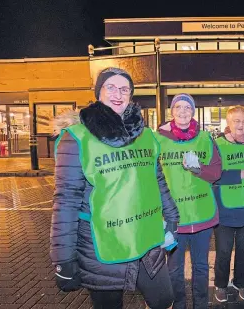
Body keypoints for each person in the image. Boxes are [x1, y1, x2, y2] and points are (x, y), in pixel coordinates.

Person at [50, 67, 178, 309]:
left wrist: (172, 218)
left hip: (147, 239)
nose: (117, 94)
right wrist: (63, 258)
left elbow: (158, 180)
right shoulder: (76, 138)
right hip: (102, 244)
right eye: (111, 87)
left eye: (124, 89)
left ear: (131, 95)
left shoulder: (146, 136)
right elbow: (65, 202)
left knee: (164, 300)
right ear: (98, 92)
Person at [155, 93, 222, 309]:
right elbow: (150, 176)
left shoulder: (205, 138)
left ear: (193, 112)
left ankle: (201, 305)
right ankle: (179, 305)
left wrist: (198, 170)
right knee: (174, 269)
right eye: (179, 107)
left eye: (188, 108)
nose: (183, 112)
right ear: (171, 111)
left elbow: (216, 172)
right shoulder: (159, 139)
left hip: (202, 215)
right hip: (173, 218)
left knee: (201, 267)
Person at [212, 105, 244, 303]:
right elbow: (213, 176)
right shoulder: (217, 145)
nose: (241, 125)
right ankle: (221, 285)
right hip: (226, 208)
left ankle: (241, 282)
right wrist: (238, 175)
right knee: (223, 251)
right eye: (237, 121)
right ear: (228, 123)